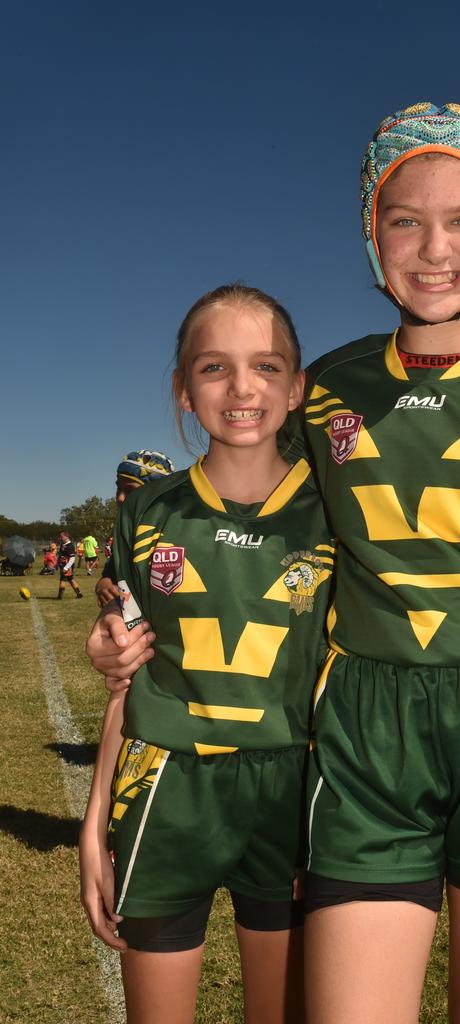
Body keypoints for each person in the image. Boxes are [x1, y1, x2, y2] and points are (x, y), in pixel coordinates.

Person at [86, 103, 460, 1023]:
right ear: (369, 230)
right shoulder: (328, 388)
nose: (434, 249)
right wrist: (118, 642)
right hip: (365, 739)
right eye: (404, 220)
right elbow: (239, 518)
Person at [79, 285, 333, 1024]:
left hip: (293, 787)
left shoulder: (335, 510)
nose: (243, 387)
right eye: (214, 367)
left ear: (297, 388)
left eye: (267, 365)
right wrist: (94, 824)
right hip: (167, 787)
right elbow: (127, 676)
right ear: (184, 390)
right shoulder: (150, 514)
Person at [95, 451, 176, 607]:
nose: (120, 497)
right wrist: (103, 586)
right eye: (119, 489)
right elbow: (109, 576)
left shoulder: (178, 533)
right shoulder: (125, 535)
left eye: (131, 491)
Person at [57, 530, 83, 599]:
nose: (60, 538)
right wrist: (57, 563)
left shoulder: (70, 546)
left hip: (66, 566)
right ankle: (79, 593)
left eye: (61, 536)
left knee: (62, 579)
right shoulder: (62, 544)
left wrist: (66, 567)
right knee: (71, 579)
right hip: (63, 565)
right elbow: (61, 555)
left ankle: (60, 597)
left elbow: (72, 558)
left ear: (66, 537)